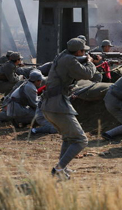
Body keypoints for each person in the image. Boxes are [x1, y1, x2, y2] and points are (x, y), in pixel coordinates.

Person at [40, 37, 100, 179]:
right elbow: (88, 74)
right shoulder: (69, 60)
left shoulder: (62, 56)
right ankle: (59, 169)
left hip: (50, 104)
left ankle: (62, 168)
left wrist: (85, 58)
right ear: (79, 51)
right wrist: (91, 62)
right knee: (81, 140)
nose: (84, 53)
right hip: (57, 105)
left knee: (68, 138)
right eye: (83, 51)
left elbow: (73, 62)